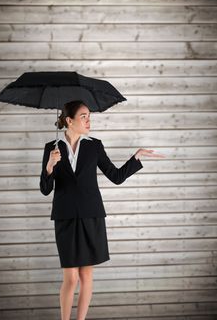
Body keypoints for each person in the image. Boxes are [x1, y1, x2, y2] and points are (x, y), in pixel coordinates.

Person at [40, 100, 165, 320]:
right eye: (84, 116)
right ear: (69, 121)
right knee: (70, 277)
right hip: (65, 218)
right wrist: (50, 166)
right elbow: (45, 189)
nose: (89, 120)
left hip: (92, 216)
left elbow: (115, 177)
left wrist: (136, 158)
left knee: (86, 275)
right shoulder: (52, 148)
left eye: (89, 116)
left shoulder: (94, 145)